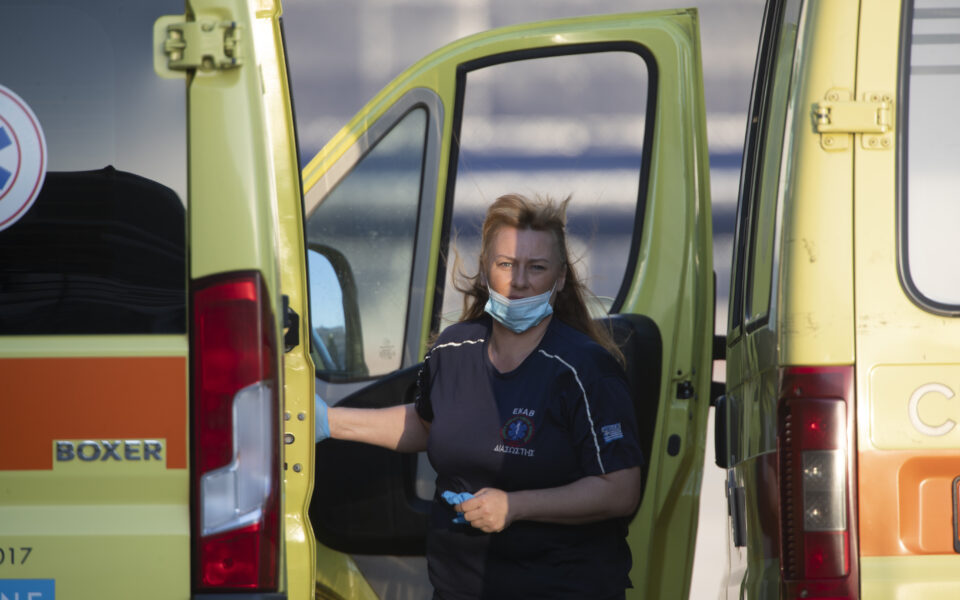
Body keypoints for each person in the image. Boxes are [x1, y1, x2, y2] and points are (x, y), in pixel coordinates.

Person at [315, 193, 645, 599]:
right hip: (458, 589)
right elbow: (426, 423)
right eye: (506, 264)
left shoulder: (585, 369)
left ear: (559, 278)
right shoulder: (452, 350)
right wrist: (328, 421)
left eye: (536, 267)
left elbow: (620, 489)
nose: (520, 280)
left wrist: (515, 506)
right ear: (487, 270)